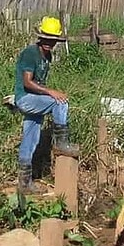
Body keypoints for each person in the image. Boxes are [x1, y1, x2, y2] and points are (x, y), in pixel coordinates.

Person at [14, 17, 80, 194]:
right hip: (26, 98)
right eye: (46, 39)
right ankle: (61, 142)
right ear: (40, 37)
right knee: (60, 102)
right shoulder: (30, 53)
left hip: (35, 99)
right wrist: (51, 92)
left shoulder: (47, 56)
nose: (49, 43)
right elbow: (27, 82)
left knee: (30, 139)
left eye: (52, 40)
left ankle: (24, 183)